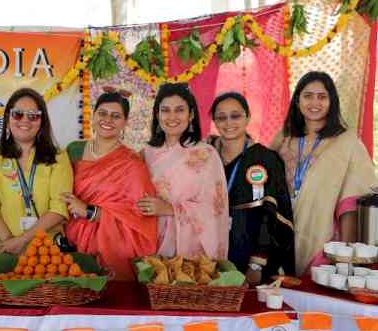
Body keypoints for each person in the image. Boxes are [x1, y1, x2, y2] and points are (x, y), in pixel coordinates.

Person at [270, 71, 377, 275]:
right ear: (297, 100)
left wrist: (344, 255)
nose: (314, 102)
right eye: (308, 95)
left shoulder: (347, 141)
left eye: (322, 96)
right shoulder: (284, 137)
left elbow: (352, 201)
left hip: (324, 238)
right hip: (281, 230)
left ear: (332, 101)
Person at [63, 90, 158, 280]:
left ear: (125, 122)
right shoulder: (74, 150)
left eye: (116, 116)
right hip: (70, 242)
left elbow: (139, 216)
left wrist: (90, 212)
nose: (108, 119)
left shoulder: (132, 163)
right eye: (103, 113)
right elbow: (59, 191)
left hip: (112, 247)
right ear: (94, 115)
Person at [208, 92, 294, 284]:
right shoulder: (205, 155)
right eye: (221, 117)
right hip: (209, 253)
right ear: (214, 120)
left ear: (247, 117)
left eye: (235, 115)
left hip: (248, 255)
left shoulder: (265, 159)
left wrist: (256, 264)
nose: (228, 122)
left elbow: (271, 216)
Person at [139, 83, 229, 260]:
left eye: (179, 110)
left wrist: (170, 209)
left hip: (191, 252)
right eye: (165, 110)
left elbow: (215, 209)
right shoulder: (145, 154)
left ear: (191, 114)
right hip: (150, 242)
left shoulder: (206, 155)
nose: (172, 116)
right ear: (157, 115)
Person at [0, 88, 73, 257]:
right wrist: (10, 242)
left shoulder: (58, 158)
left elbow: (59, 209)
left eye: (33, 115)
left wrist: (23, 240)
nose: (25, 120)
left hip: (48, 252)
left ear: (42, 121)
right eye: (18, 114)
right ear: (8, 119)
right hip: (5, 251)